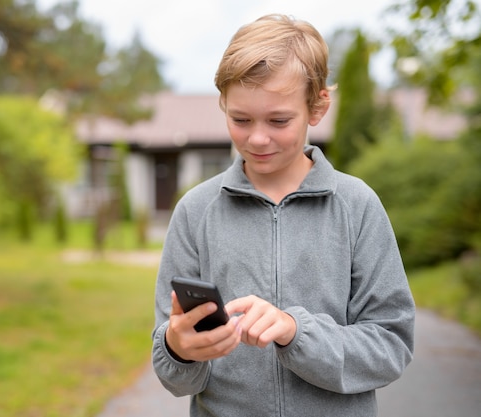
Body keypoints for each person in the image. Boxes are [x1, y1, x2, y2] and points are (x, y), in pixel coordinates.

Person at [151, 13, 415, 417]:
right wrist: (179, 350)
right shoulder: (195, 211)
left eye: (278, 120)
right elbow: (174, 374)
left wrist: (297, 333)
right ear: (223, 104)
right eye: (240, 119)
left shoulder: (357, 205)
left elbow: (391, 345)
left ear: (317, 107)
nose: (257, 138)